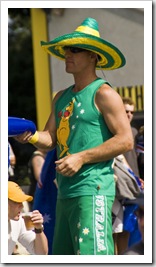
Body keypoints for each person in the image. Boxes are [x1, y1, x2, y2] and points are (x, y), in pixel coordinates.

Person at [14, 17, 133, 255]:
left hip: (93, 190)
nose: (68, 53)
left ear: (93, 56)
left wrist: (81, 157)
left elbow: (125, 139)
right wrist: (32, 136)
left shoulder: (104, 93)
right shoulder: (61, 97)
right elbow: (50, 138)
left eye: (75, 49)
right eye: (67, 49)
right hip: (65, 191)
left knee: (93, 257)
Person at [8, 181, 48, 255]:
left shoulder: (19, 221)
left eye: (22, 202)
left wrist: (38, 229)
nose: (22, 206)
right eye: (16, 202)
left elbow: (41, 253)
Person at [122, 97, 140, 177]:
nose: (129, 114)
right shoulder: (111, 131)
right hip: (121, 177)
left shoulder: (135, 132)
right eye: (126, 111)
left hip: (136, 177)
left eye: (132, 112)